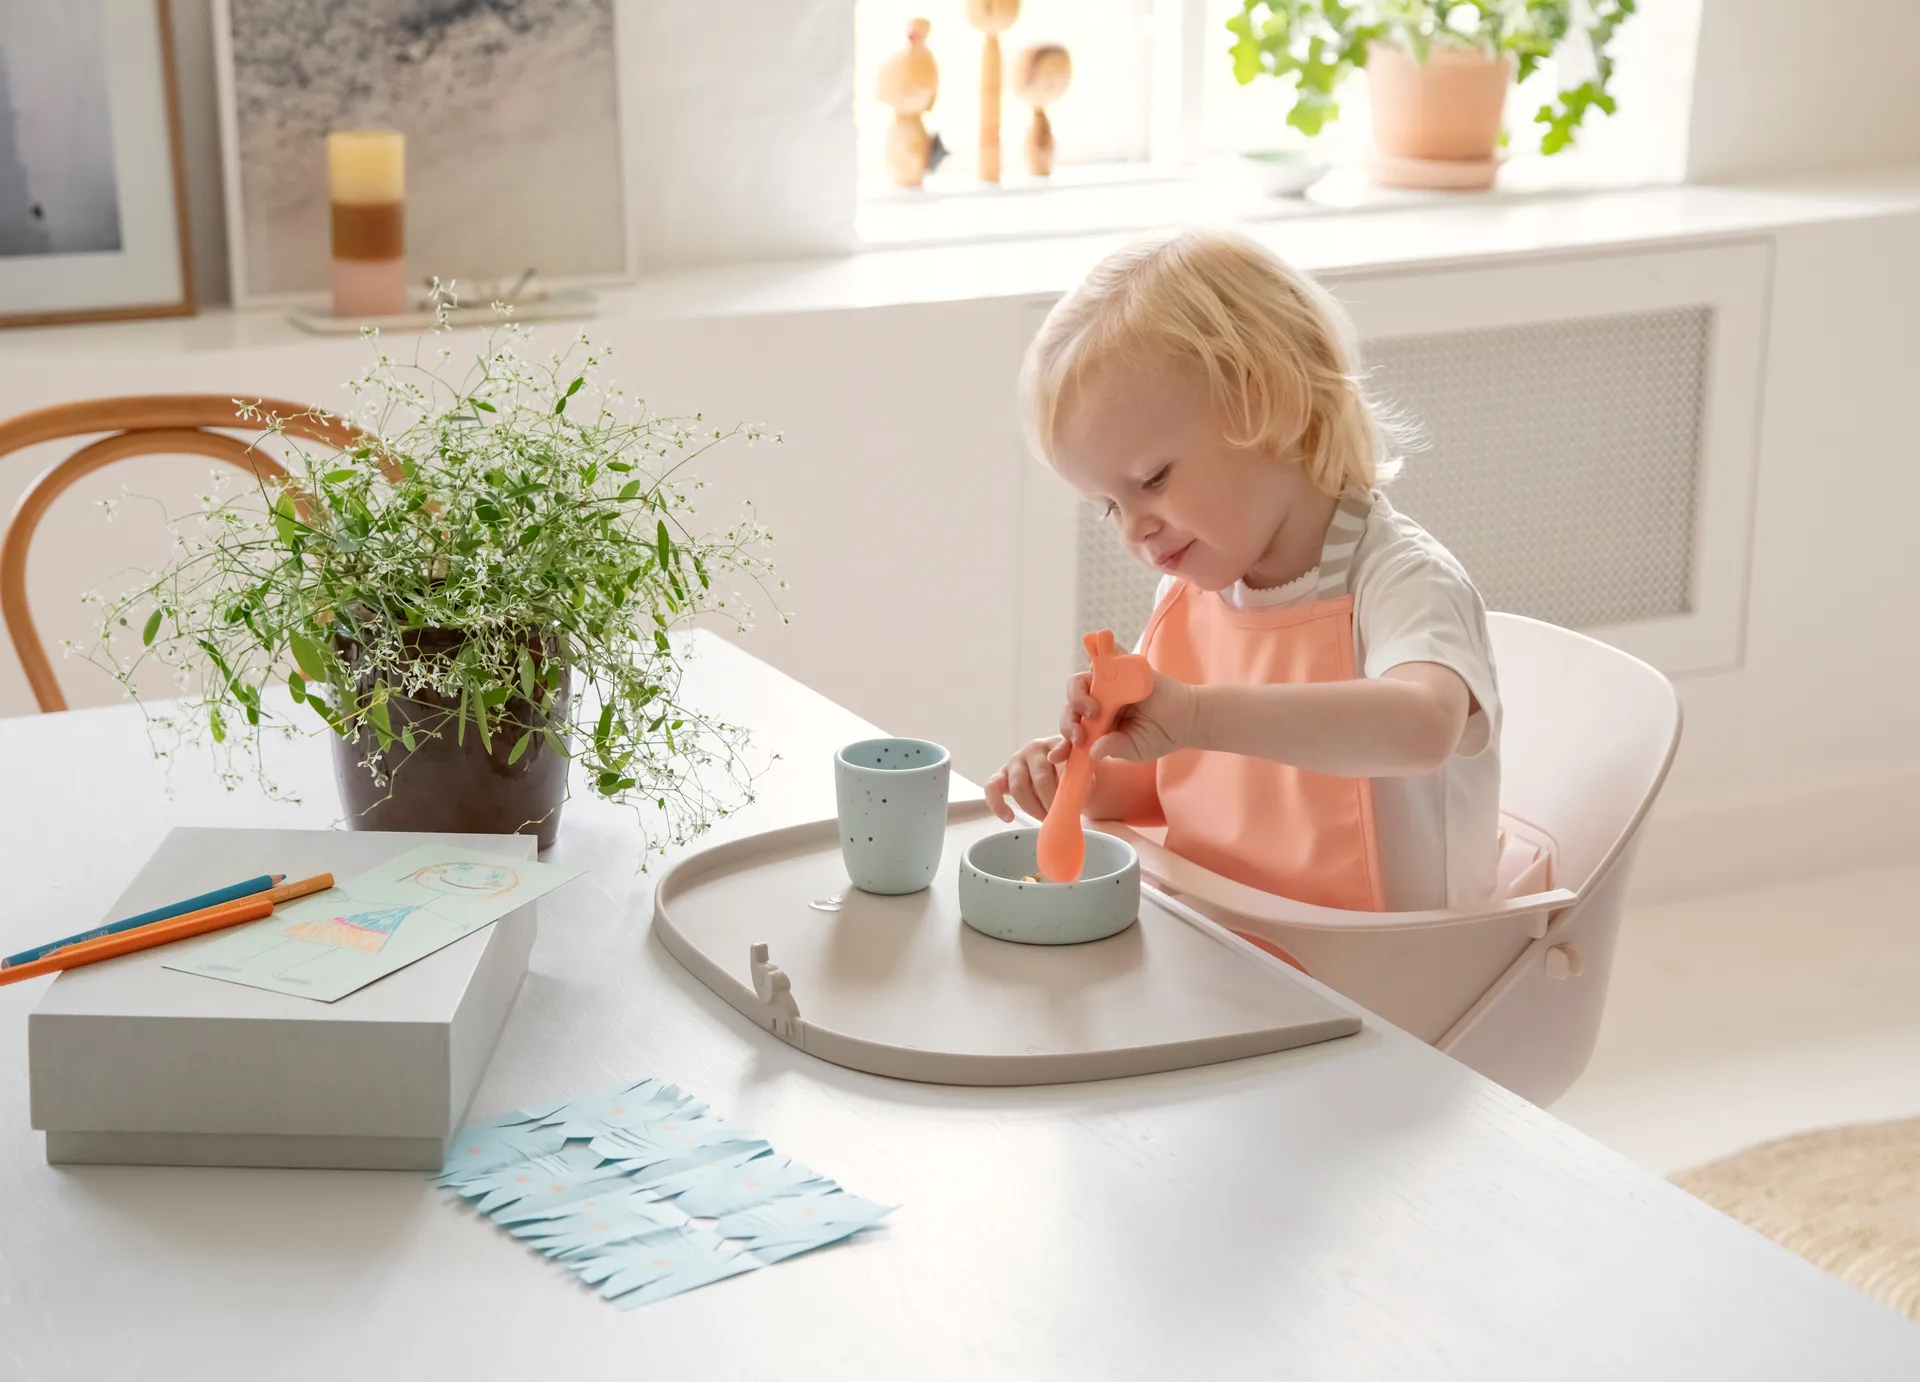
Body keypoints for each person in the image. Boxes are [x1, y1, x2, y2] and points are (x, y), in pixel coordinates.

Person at [985, 228, 1500, 913]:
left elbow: (1422, 726)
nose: (1134, 527)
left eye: (1153, 478)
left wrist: (1197, 714)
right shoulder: (1189, 597)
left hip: (1395, 978)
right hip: (1234, 947)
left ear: (1271, 406)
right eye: (1108, 505)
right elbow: (1168, 780)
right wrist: (1082, 780)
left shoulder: (1402, 580)